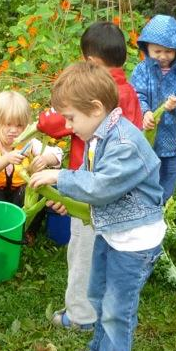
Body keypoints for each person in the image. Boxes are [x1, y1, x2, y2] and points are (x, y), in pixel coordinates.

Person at [30, 62, 165, 351]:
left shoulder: (124, 143)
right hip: (113, 231)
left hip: (134, 242)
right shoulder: (98, 133)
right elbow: (95, 187)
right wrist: (69, 200)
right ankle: (99, 350)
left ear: (96, 108)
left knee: (117, 307)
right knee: (98, 294)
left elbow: (102, 186)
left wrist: (60, 177)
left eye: (71, 118)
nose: (67, 125)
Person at [36, 21, 142, 331]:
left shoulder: (92, 94)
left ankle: (81, 316)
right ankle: (102, 308)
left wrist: (49, 115)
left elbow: (52, 124)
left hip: (88, 188)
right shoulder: (129, 92)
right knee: (107, 253)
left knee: (83, 252)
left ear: (91, 61)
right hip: (117, 191)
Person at [130, 14, 176, 203]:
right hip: (146, 139)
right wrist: (145, 112)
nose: (163, 56)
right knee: (145, 180)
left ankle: (162, 211)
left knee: (168, 179)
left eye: (169, 51)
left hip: (171, 140)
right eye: (157, 51)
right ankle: (144, 211)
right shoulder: (142, 70)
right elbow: (137, 95)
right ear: (147, 48)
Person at [0, 90, 63, 207]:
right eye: (8, 124)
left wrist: (45, 159)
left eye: (19, 125)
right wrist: (7, 158)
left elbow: (57, 154)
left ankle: (28, 225)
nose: (14, 130)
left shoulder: (28, 144)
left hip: (19, 195)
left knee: (36, 190)